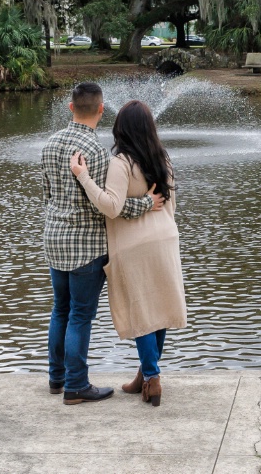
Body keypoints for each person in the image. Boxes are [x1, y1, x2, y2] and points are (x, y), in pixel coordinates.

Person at [42, 82, 164, 406]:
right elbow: (112, 204)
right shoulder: (97, 152)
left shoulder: (50, 144)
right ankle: (76, 385)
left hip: (54, 239)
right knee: (80, 315)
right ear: (100, 109)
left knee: (60, 309)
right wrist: (148, 204)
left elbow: (47, 194)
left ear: (70, 107)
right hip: (86, 245)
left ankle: (56, 378)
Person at [70, 99, 186, 408]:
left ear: (122, 128)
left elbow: (111, 205)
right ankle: (145, 375)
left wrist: (83, 176)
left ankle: (151, 377)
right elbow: (171, 204)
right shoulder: (163, 157)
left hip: (135, 246)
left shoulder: (121, 161)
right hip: (165, 238)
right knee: (158, 310)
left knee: (142, 314)